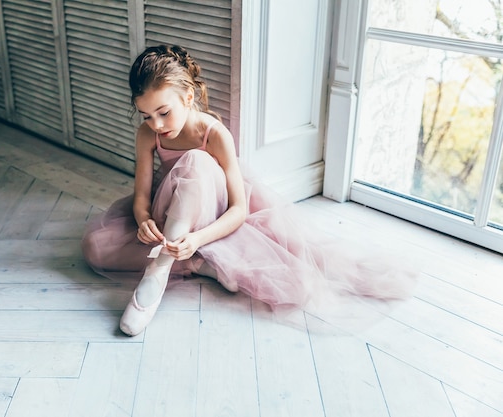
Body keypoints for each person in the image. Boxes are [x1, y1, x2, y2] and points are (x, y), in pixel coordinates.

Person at [81, 44, 419, 336]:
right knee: (96, 247)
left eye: (163, 113)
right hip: (168, 210)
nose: (156, 124)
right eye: (146, 115)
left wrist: (197, 239)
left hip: (209, 214)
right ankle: (197, 265)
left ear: (188, 96)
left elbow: (239, 210)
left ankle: (159, 271)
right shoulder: (148, 134)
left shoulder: (214, 134)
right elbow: (142, 195)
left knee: (195, 164)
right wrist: (142, 219)